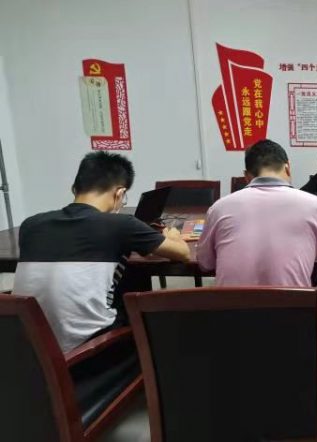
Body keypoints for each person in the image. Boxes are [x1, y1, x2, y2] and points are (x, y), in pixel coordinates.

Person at [12, 151, 190, 352]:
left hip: (29, 351)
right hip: (86, 351)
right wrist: (173, 235)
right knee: (151, 314)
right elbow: (183, 253)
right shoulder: (121, 224)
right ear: (120, 193)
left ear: (74, 188)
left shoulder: (31, 225)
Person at [197, 139, 317, 287]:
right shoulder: (314, 206)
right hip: (292, 307)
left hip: (230, 308)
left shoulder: (219, 209)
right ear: (287, 168)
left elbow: (205, 263)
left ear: (246, 176)